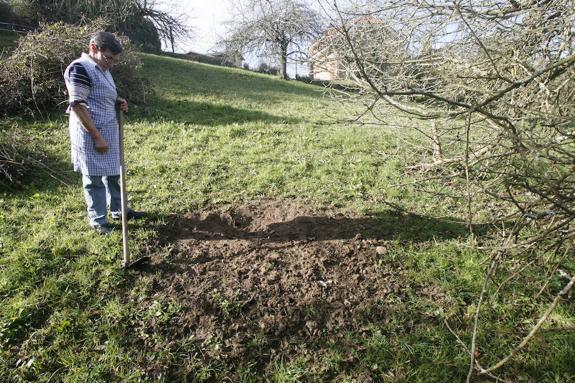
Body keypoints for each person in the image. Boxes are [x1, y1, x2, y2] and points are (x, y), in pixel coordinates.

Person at [64, 31, 144, 234]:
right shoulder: (80, 69)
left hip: (108, 129)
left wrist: (117, 101)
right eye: (109, 58)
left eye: (114, 60)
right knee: (94, 179)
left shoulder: (102, 69)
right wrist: (97, 137)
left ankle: (119, 210)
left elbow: (99, 95)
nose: (111, 63)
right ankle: (99, 221)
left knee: (113, 174)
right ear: (93, 48)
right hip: (90, 133)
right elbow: (78, 105)